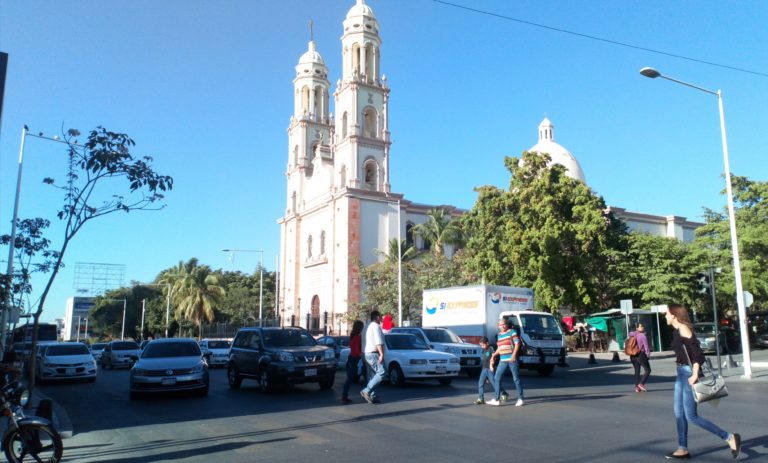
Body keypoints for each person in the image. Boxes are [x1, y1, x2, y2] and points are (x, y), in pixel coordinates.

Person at [664, 304, 741, 460]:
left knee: (691, 416)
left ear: (674, 315)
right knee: (678, 413)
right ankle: (682, 448)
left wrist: (694, 374)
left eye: (666, 313)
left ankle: (729, 437)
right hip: (680, 372)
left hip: (688, 373)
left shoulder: (684, 329)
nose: (665, 316)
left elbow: (697, 353)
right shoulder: (676, 331)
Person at [488, 319, 524, 407]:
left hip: (512, 359)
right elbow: (500, 348)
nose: (502, 326)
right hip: (502, 360)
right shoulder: (499, 335)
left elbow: (517, 343)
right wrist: (494, 355)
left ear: (506, 324)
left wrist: (514, 355)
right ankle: (497, 399)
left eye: (504, 324)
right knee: (496, 378)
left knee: (516, 378)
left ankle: (520, 398)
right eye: (500, 325)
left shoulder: (512, 332)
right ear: (498, 326)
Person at [361, 311, 386, 404]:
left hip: (365, 353)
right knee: (382, 372)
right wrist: (381, 354)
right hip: (373, 353)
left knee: (371, 376)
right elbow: (378, 342)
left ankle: (372, 396)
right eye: (380, 316)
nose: (381, 318)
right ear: (377, 317)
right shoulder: (376, 326)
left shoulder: (366, 327)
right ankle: (367, 390)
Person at [341, 320, 364, 404]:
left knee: (350, 378)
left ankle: (344, 396)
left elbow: (352, 347)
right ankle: (344, 396)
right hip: (355, 358)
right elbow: (357, 349)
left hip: (352, 357)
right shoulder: (358, 337)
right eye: (362, 326)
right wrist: (361, 355)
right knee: (350, 378)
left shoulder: (352, 336)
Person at [629, 323, 651, 392]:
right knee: (648, 370)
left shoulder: (631, 335)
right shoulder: (642, 336)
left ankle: (637, 387)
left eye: (642, 326)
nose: (643, 327)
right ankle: (641, 384)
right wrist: (648, 355)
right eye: (641, 326)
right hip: (641, 354)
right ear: (637, 328)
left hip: (632, 355)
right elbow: (646, 347)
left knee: (637, 371)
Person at [474, 337, 495, 405]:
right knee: (480, 383)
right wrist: (485, 377)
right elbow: (483, 361)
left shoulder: (491, 348)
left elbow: (494, 357)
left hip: (490, 369)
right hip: (484, 369)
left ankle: (503, 393)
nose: (482, 347)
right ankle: (481, 399)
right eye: (481, 345)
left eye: (483, 345)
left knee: (494, 384)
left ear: (487, 343)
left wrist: (492, 364)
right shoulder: (483, 350)